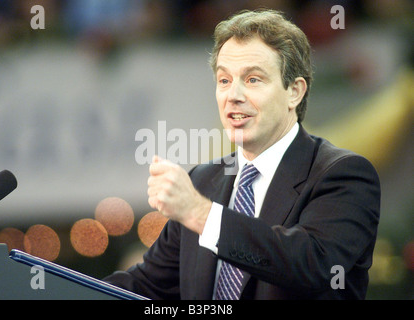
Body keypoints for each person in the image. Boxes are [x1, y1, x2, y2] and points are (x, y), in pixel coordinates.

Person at [103, 9, 380, 300]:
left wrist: (202, 214)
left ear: (294, 92)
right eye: (224, 80)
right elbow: (146, 286)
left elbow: (314, 264)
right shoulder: (202, 181)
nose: (232, 95)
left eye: (252, 80)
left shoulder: (343, 175)